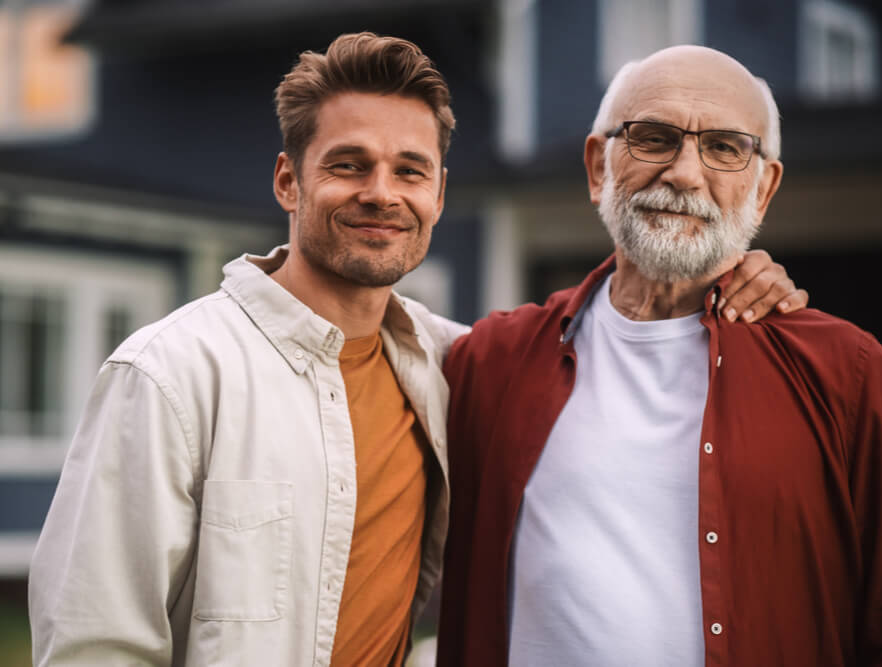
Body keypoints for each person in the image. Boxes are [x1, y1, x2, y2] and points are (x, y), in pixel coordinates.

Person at [28, 33, 804, 666]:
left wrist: (727, 268)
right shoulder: (171, 374)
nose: (381, 192)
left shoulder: (453, 364)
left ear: (437, 195)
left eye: (410, 170)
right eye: (347, 164)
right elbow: (96, 644)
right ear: (287, 182)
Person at [438, 45, 882, 667]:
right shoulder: (489, 360)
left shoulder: (847, 373)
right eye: (653, 138)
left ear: (763, 187)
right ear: (598, 166)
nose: (685, 174)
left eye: (725, 148)